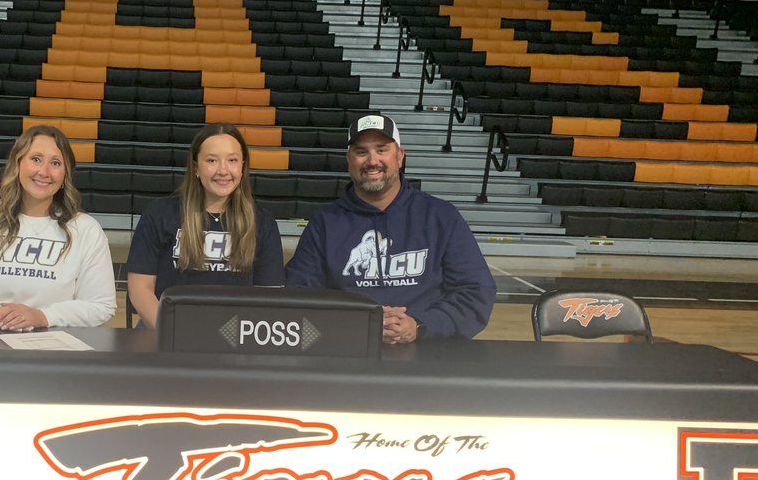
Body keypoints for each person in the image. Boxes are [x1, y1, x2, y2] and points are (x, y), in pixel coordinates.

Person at [285, 113, 495, 343]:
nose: (372, 160)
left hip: (429, 351)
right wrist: (356, 323)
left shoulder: (441, 217)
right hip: (348, 351)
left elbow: (476, 292)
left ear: (400, 156)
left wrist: (420, 324)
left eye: (382, 149)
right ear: (349, 159)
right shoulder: (324, 223)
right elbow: (299, 294)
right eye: (361, 151)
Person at [0, 124, 116, 329]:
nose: (44, 172)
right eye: (35, 159)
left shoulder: (86, 229)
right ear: (17, 164)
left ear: (65, 176)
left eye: (55, 163)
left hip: (55, 350)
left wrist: (43, 317)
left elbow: (101, 306)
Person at [126, 123, 285, 329]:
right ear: (196, 168)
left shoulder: (263, 222)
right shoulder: (160, 214)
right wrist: (170, 333)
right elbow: (140, 289)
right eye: (211, 160)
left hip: (236, 338)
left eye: (232, 160)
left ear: (243, 166)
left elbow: (269, 297)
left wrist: (239, 338)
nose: (223, 170)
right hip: (166, 331)